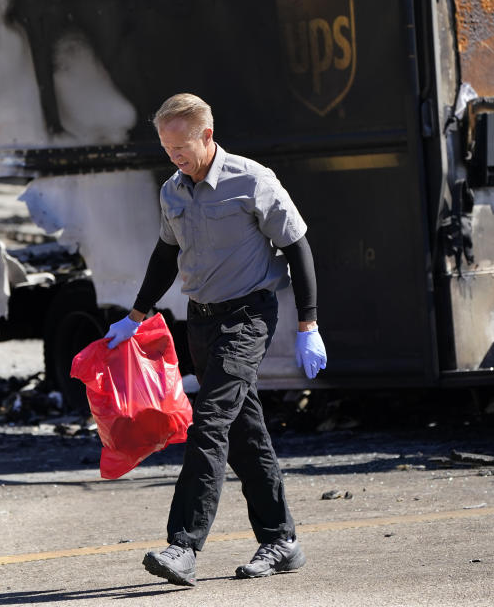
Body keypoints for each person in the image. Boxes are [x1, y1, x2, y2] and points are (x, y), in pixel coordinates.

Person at [104, 93, 327, 586]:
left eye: (180, 145)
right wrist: (135, 316)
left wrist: (307, 325)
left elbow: (298, 249)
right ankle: (282, 540)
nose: (173, 155)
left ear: (206, 135)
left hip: (248, 318)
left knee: (209, 423)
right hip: (200, 322)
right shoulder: (173, 191)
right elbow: (165, 257)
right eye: (165, 146)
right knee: (246, 433)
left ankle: (183, 545)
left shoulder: (252, 181)